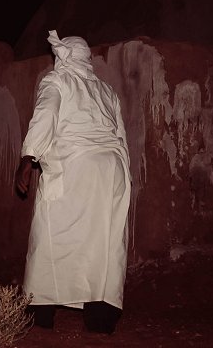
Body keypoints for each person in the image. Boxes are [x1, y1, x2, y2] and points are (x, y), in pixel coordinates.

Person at [14, 30, 131, 334]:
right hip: (112, 170)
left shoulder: (57, 81)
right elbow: (120, 134)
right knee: (103, 241)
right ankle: (101, 314)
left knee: (51, 233)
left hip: (76, 165)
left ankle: (39, 311)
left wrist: (28, 157)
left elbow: (45, 115)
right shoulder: (107, 90)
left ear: (63, 57)